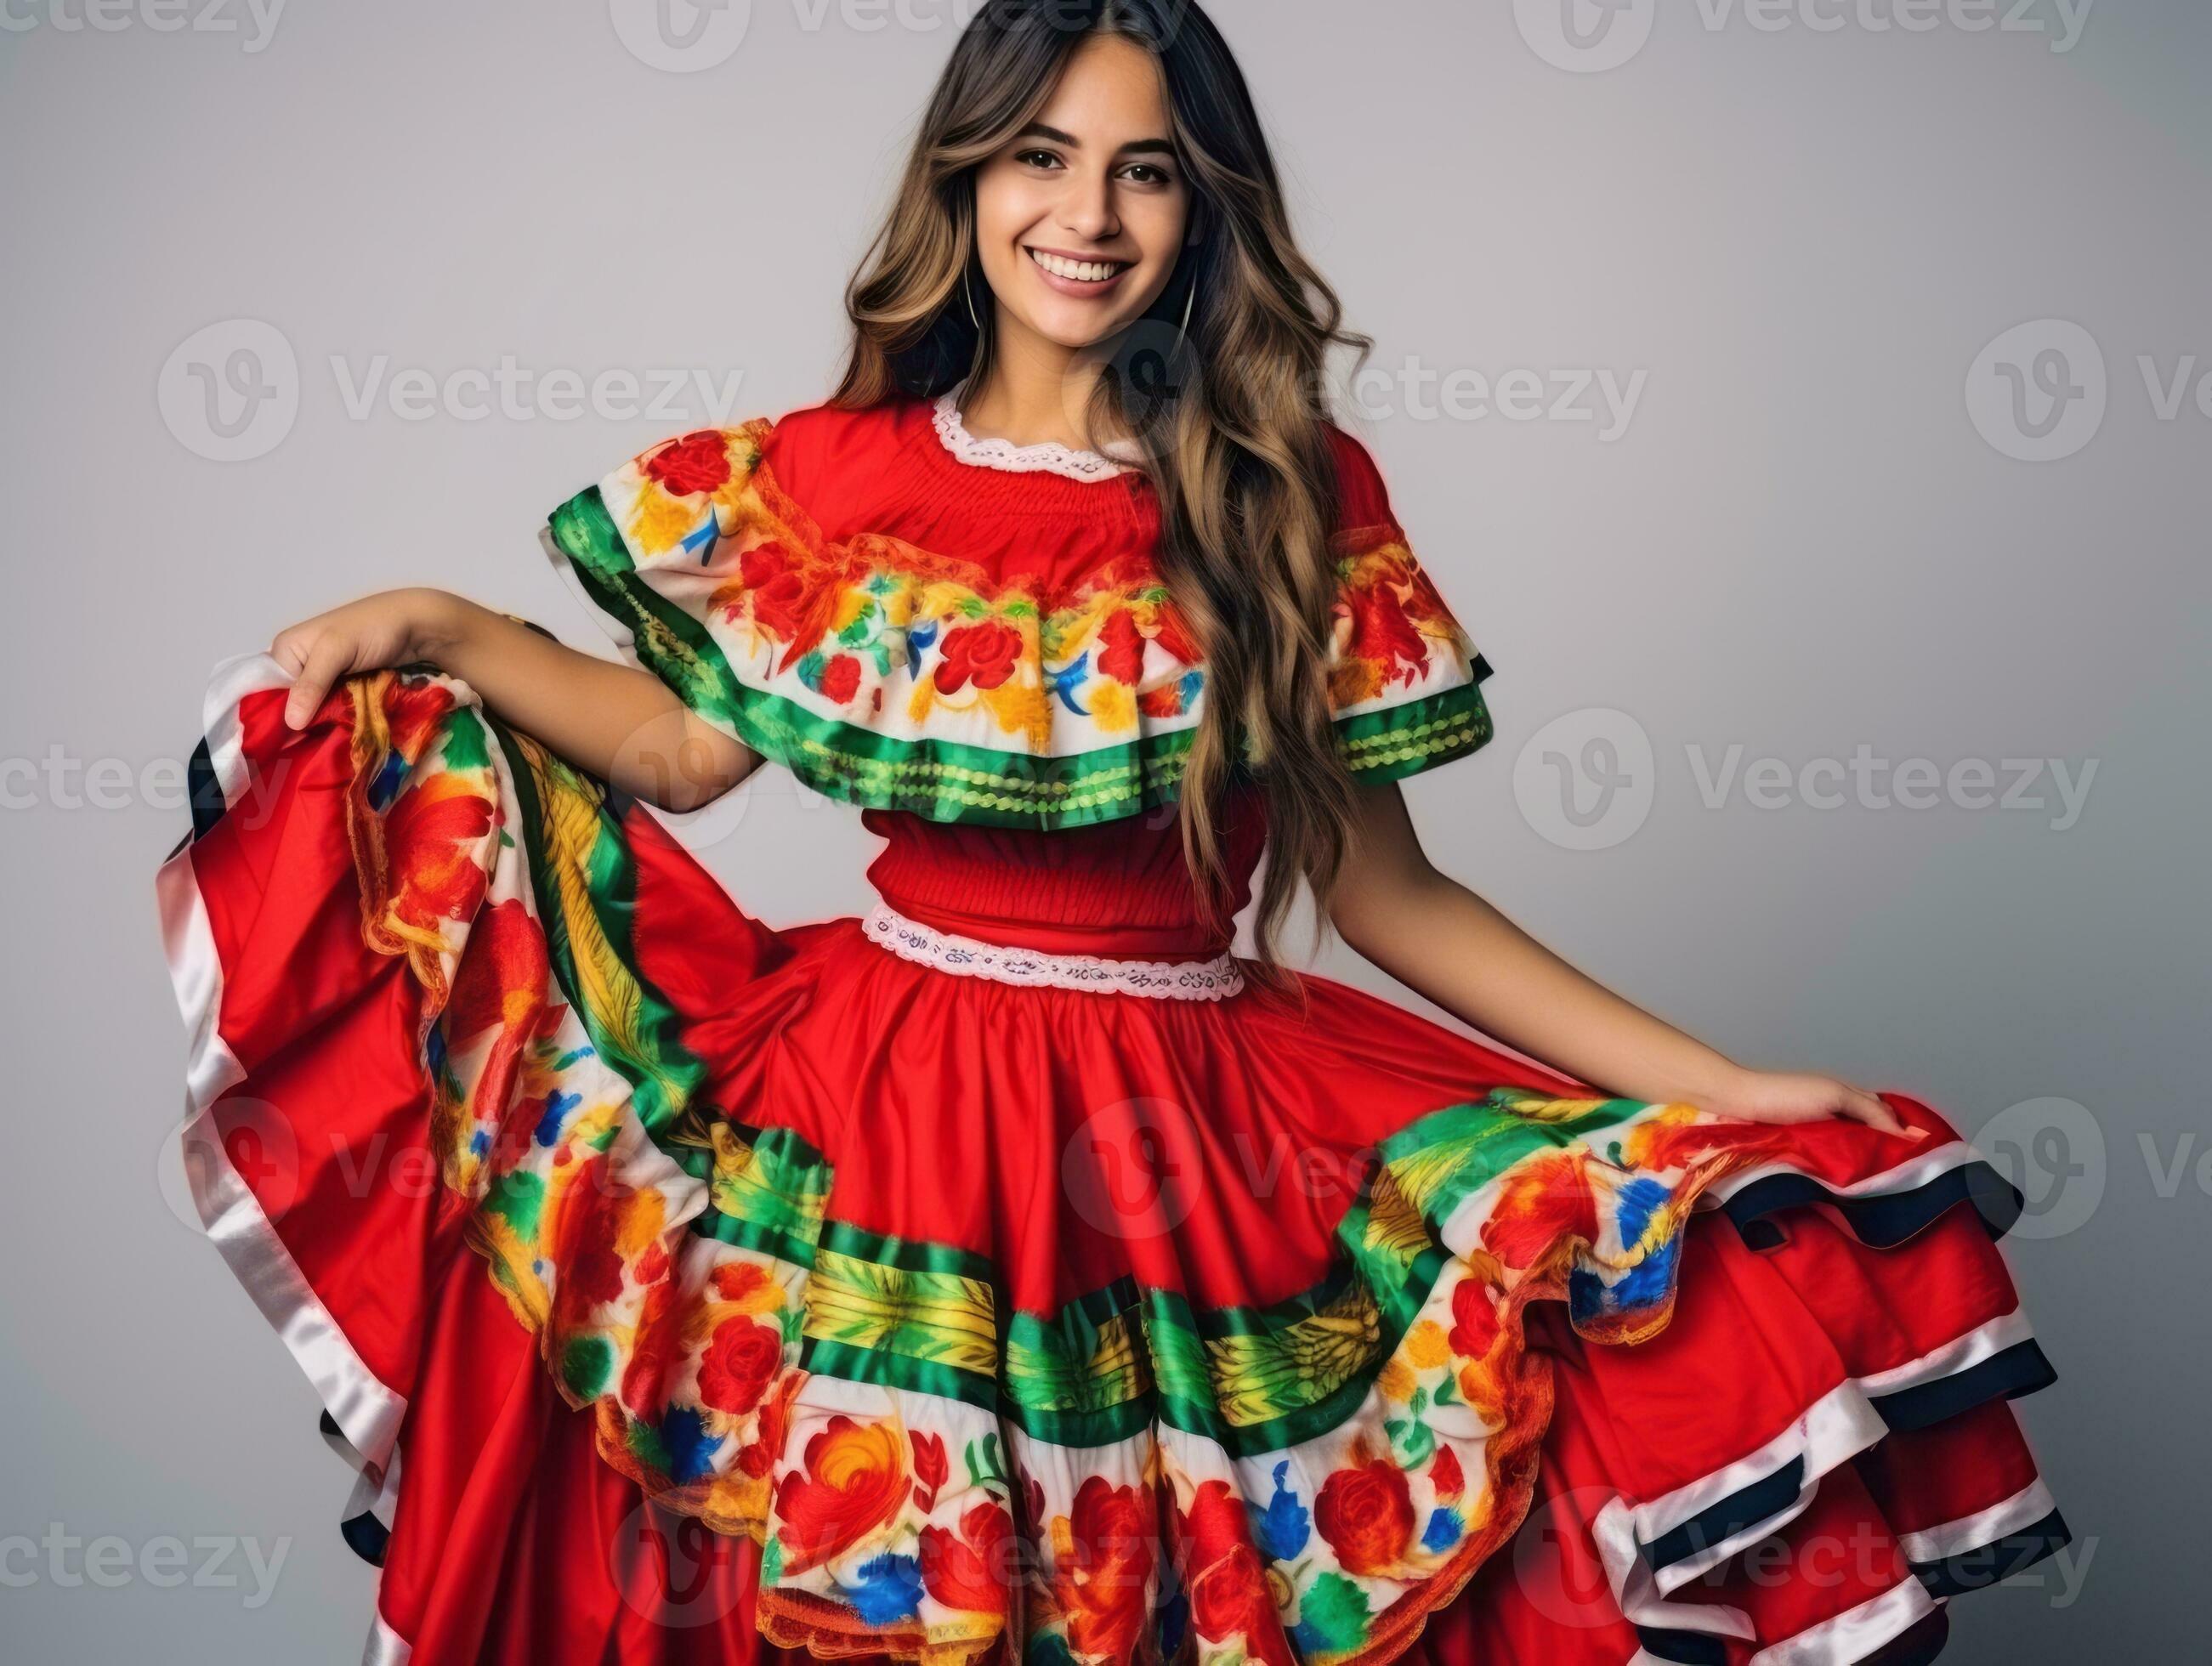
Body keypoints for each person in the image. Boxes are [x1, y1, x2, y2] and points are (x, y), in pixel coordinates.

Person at [156, 3, 2066, 1661]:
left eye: (1143, 171)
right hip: (881, 1115)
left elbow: (1389, 896)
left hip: (1190, 1156)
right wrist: (441, 626)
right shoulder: (834, 476)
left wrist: (1714, 1084)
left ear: (1201, 206)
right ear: (966, 179)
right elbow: (678, 748)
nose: (1085, 214)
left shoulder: (1283, 493)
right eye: (1041, 157)